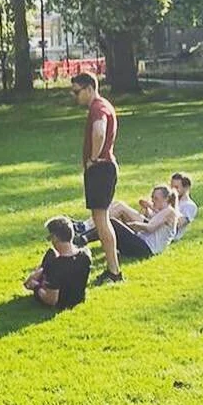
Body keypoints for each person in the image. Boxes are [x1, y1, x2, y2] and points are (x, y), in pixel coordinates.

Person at [71, 71, 121, 286]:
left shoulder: (98, 108)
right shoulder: (105, 105)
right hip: (105, 169)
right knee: (102, 220)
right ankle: (113, 269)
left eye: (77, 91)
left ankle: (114, 272)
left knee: (101, 221)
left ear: (89, 88)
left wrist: (93, 158)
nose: (75, 96)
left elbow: (99, 132)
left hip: (101, 169)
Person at [23, 217, 92, 310]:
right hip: (78, 299)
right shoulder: (85, 255)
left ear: (55, 238)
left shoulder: (56, 265)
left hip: (62, 302)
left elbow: (51, 300)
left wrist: (35, 287)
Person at [105, 183, 179, 263]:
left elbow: (150, 228)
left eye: (156, 198)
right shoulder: (162, 210)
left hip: (147, 249)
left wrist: (134, 224)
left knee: (112, 223)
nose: (153, 200)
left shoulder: (169, 212)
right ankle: (91, 231)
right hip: (143, 243)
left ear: (166, 199)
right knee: (116, 216)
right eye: (152, 197)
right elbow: (150, 220)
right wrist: (147, 208)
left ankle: (90, 234)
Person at [169, 171, 197, 236]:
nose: (173, 190)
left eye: (176, 187)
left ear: (186, 188)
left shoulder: (190, 206)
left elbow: (178, 224)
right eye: (171, 187)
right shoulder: (168, 198)